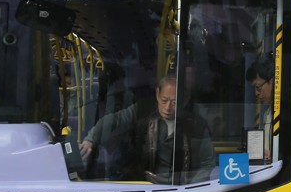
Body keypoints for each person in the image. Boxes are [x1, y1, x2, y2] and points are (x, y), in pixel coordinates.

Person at [78, 76, 215, 184]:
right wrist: (91, 138)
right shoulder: (143, 110)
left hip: (179, 190)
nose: (168, 107)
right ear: (157, 95)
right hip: (142, 186)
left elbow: (207, 162)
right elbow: (114, 120)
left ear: (185, 100)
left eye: (174, 102)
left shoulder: (196, 125)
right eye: (164, 100)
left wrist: (189, 187)